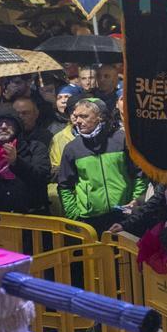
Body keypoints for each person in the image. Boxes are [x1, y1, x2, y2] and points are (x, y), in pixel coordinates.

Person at [56, 98, 146, 234]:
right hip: (90, 221)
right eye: (76, 116)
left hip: (125, 215)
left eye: (84, 116)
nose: (78, 121)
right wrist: (75, 216)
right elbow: (64, 186)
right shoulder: (72, 148)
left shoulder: (122, 139)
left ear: (100, 117)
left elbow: (140, 174)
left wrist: (135, 202)